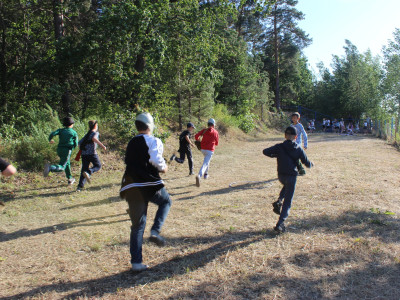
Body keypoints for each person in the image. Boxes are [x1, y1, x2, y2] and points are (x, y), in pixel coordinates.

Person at [120, 112, 172, 272]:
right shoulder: (153, 140)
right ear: (150, 125)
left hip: (130, 186)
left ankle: (136, 263)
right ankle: (155, 230)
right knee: (166, 201)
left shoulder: (131, 142)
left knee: (137, 225)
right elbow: (156, 160)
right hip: (149, 184)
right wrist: (164, 168)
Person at [263, 126, 314, 233]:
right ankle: (280, 223)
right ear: (295, 137)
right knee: (288, 201)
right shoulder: (298, 148)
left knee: (286, 186)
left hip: (281, 175)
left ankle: (279, 200)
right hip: (291, 176)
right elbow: (306, 162)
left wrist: (276, 155)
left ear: (285, 135)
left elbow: (265, 151)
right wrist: (311, 164)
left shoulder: (279, 146)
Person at [43, 117, 78, 185]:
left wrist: (50, 140)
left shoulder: (61, 130)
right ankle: (50, 168)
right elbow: (76, 143)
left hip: (59, 150)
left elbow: (52, 134)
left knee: (67, 163)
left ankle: (70, 178)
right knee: (62, 166)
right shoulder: (73, 132)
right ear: (71, 124)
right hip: (67, 150)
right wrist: (72, 148)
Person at [76, 120, 106, 191]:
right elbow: (94, 138)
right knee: (98, 166)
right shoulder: (95, 133)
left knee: (84, 169)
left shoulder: (87, 134)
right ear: (95, 126)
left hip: (84, 154)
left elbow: (79, 144)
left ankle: (79, 187)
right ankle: (89, 172)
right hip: (92, 153)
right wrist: (103, 146)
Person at [194, 118, 219, 187]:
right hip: (210, 150)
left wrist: (198, 140)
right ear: (213, 125)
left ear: (208, 124)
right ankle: (199, 175)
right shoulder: (216, 132)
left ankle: (206, 174)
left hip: (203, 149)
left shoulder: (204, 130)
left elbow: (196, 136)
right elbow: (216, 143)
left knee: (207, 161)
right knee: (205, 163)